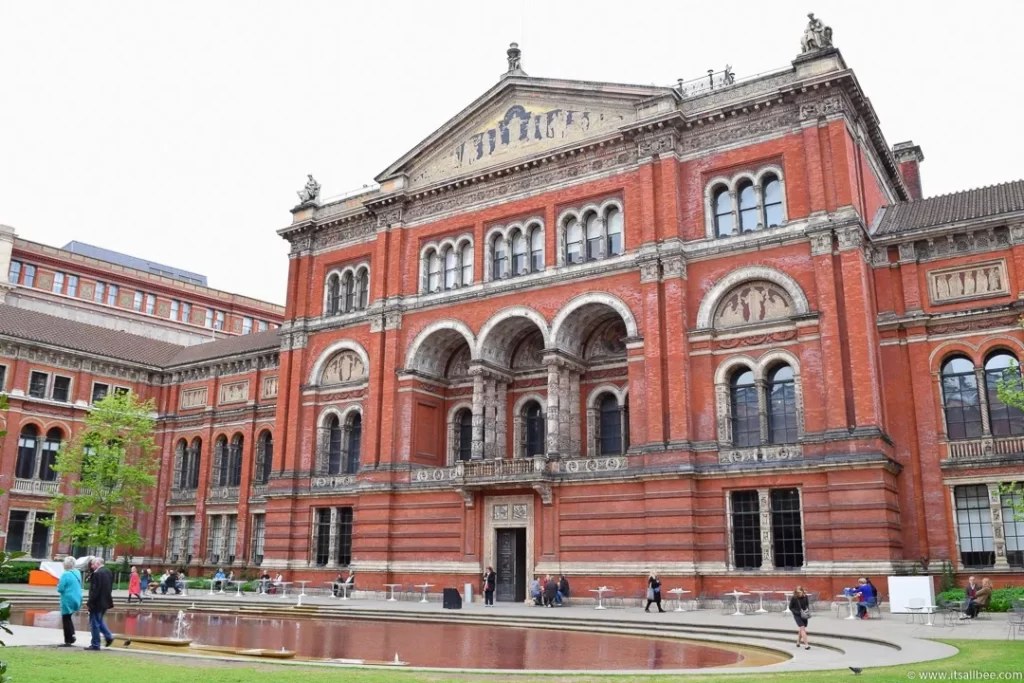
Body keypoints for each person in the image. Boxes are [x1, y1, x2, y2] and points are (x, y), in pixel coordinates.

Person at [86, 558, 115, 650]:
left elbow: (95, 590)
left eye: (93, 564)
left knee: (94, 623)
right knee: (99, 621)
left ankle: (95, 644)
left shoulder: (97, 574)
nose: (91, 566)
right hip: (105, 601)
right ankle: (109, 636)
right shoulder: (108, 571)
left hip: (97, 602)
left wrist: (89, 602)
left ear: (97, 564)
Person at [56, 556, 82, 647]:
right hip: (76, 598)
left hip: (67, 598)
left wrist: (58, 586)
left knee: (66, 618)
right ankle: (72, 635)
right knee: (69, 617)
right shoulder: (77, 572)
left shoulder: (65, 574)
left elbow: (60, 588)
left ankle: (68, 639)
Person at [789, 585, 811, 650]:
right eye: (797, 592)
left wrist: (807, 611)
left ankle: (798, 642)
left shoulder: (805, 597)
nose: (799, 594)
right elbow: (790, 607)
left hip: (804, 614)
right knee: (802, 627)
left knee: (801, 629)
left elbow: (807, 605)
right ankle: (806, 645)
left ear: (802, 591)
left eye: (800, 592)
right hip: (797, 615)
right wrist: (796, 612)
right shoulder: (794, 598)